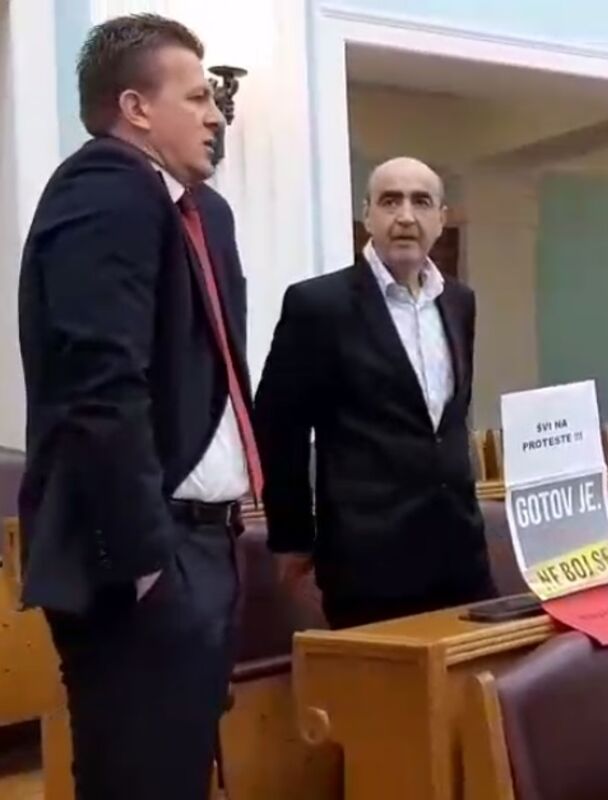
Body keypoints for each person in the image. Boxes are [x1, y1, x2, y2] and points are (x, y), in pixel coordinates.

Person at [17, 14, 257, 800]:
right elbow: (100, 385)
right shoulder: (105, 188)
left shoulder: (198, 209)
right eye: (197, 97)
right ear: (136, 108)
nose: (217, 114)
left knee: (176, 776)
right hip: (144, 556)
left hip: (205, 545)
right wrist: (149, 563)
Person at [255, 156, 494, 629]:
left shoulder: (459, 302)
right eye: (390, 201)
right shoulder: (318, 305)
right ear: (367, 215)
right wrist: (292, 538)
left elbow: (447, 421)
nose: (405, 216)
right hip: (369, 563)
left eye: (420, 202)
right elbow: (278, 429)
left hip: (461, 554)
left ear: (441, 218)